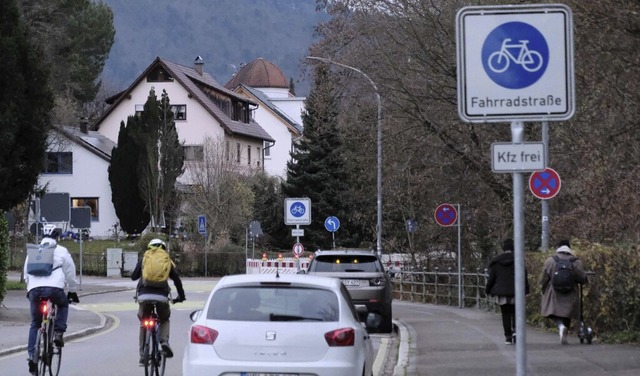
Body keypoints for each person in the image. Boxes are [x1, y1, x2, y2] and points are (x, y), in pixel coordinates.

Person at [24, 225, 79, 375]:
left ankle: (31, 356)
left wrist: (30, 288)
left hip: (34, 290)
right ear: (57, 237)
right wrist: (72, 290)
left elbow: (26, 273)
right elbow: (70, 271)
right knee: (63, 305)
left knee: (35, 323)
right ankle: (58, 333)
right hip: (54, 289)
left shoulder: (34, 251)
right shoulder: (61, 251)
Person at [131, 238, 186, 365]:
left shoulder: (145, 258)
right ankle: (164, 341)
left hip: (144, 296)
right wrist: (181, 297)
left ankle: (143, 355)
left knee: (144, 321)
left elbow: (133, 277)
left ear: (149, 247)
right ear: (163, 248)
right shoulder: (166, 260)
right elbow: (177, 281)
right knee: (164, 319)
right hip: (161, 297)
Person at [540, 239, 588, 344]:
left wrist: (544, 290)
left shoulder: (551, 260)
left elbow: (543, 278)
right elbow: (581, 278)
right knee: (567, 312)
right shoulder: (575, 261)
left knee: (551, 312)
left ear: (558, 247)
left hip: (554, 292)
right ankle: (564, 331)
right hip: (570, 291)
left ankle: (561, 326)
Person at [485, 238, 530, 344]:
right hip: (516, 291)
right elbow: (524, 276)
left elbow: (492, 278)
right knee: (515, 312)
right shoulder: (518, 260)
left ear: (503, 248)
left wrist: (488, 290)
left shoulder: (496, 262)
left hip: (502, 292)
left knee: (505, 314)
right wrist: (526, 290)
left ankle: (508, 337)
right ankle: (516, 331)